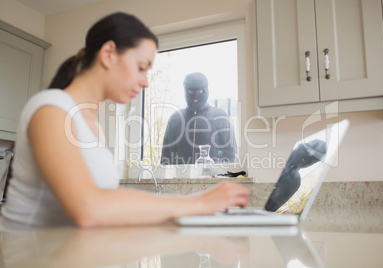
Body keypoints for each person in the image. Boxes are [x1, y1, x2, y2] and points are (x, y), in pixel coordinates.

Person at [0, 12, 249, 229]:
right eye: (141, 67)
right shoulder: (50, 109)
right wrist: (198, 203)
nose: (145, 81)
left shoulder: (92, 127)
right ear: (108, 54)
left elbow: (103, 207)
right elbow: (89, 208)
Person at [161, 72, 237, 165]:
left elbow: (231, 156)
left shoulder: (220, 117)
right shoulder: (176, 119)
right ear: (185, 91)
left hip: (212, 178)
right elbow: (166, 157)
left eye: (200, 91)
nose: (195, 95)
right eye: (191, 92)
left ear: (206, 91)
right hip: (181, 178)